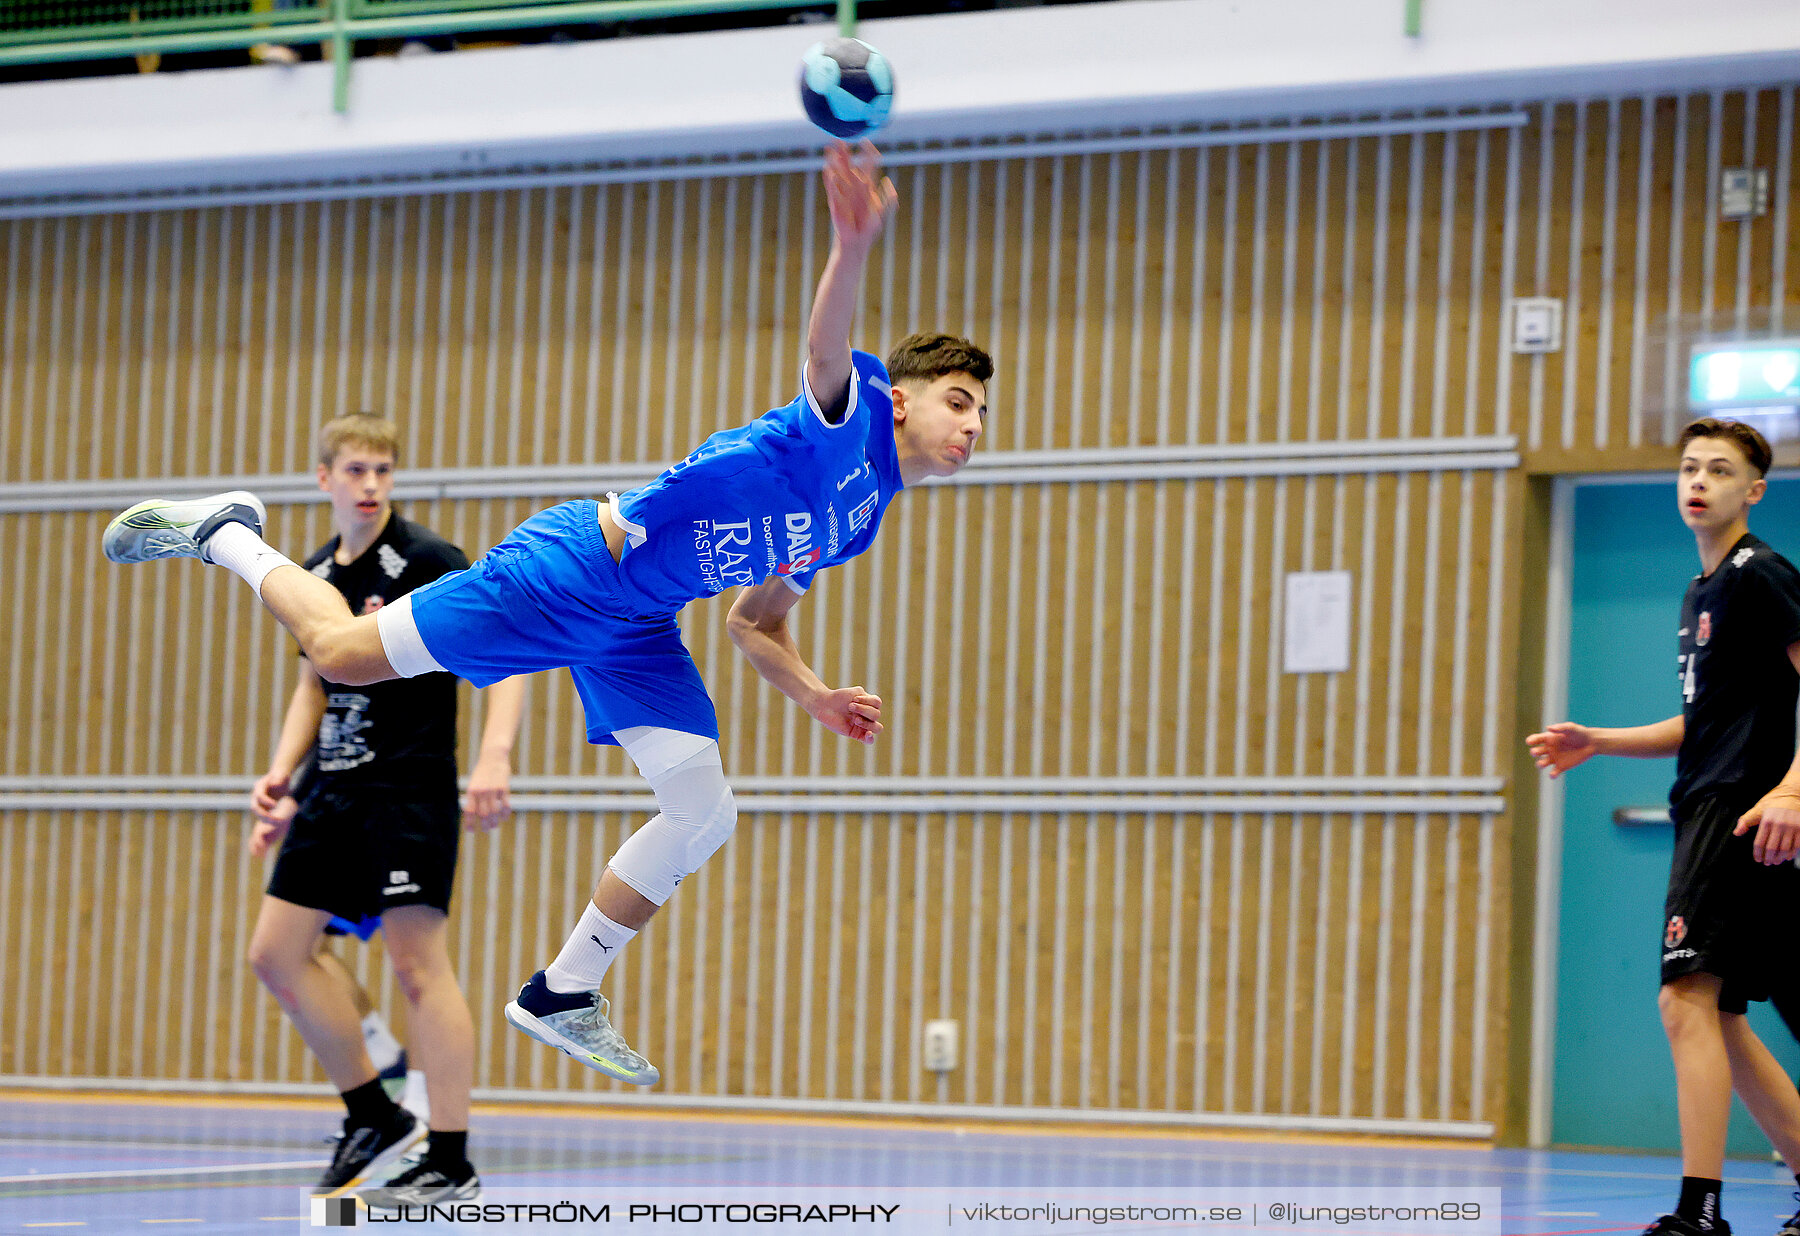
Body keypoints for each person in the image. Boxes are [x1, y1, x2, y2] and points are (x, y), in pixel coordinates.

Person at [100, 139, 988, 1103]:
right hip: (573, 570)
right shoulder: (845, 423)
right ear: (899, 400)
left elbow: (754, 621)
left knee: (704, 810)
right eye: (958, 401)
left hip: (640, 624)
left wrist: (815, 697)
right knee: (344, 655)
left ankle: (565, 988)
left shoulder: (859, 519)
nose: (973, 424)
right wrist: (850, 242)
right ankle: (227, 534)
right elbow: (823, 344)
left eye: (983, 410)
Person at [236, 413, 527, 1205]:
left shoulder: (428, 560)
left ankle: (452, 1154)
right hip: (332, 788)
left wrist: (495, 756)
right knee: (275, 952)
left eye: (383, 472)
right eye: (356, 471)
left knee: (416, 966)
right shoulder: (315, 572)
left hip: (408, 788)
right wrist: (281, 775)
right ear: (324, 478)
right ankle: (373, 1112)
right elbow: (313, 683)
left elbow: (505, 658)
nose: (370, 486)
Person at [1528, 417, 1800, 1236]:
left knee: (1685, 1003)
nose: (1699, 480)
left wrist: (1792, 789)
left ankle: (1699, 1210)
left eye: (1720, 470)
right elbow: (1707, 718)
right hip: (1709, 806)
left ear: (1753, 490)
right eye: (1689, 467)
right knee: (1714, 1013)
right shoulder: (1700, 593)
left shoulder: (1761, 574)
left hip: (1743, 810)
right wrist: (1600, 739)